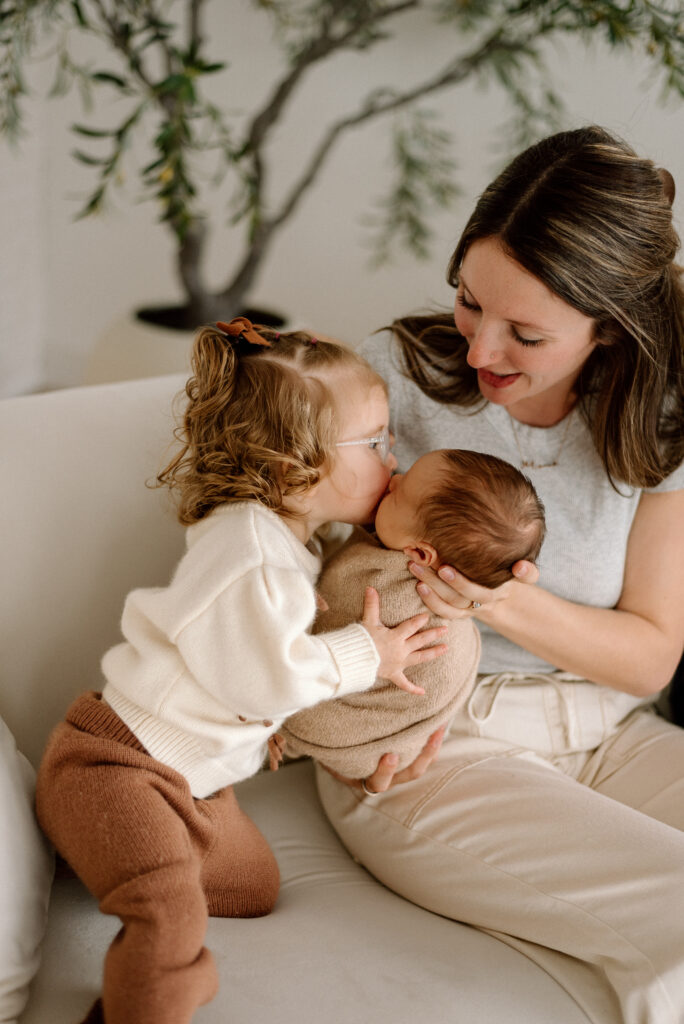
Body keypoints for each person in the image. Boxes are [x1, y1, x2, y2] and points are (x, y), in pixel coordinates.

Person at [314, 126, 684, 1024]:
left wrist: (496, 596)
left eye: (527, 333)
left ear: (609, 328)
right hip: (434, 739)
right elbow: (287, 553)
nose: (481, 350)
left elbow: (649, 655)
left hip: (610, 732)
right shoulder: (397, 377)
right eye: (469, 302)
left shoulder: (655, 417)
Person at [34, 317, 448, 1024]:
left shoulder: (293, 542)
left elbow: (239, 670)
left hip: (191, 784)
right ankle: (149, 990)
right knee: (168, 913)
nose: (393, 458)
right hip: (116, 765)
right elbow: (265, 678)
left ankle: (106, 848)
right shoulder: (250, 549)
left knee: (252, 887)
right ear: (295, 466)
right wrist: (368, 653)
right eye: (376, 443)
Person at [281, 448, 545, 778]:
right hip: (408, 743)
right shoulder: (409, 546)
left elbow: (318, 625)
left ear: (419, 553)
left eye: (399, 494)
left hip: (360, 738)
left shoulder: (379, 589)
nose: (394, 480)